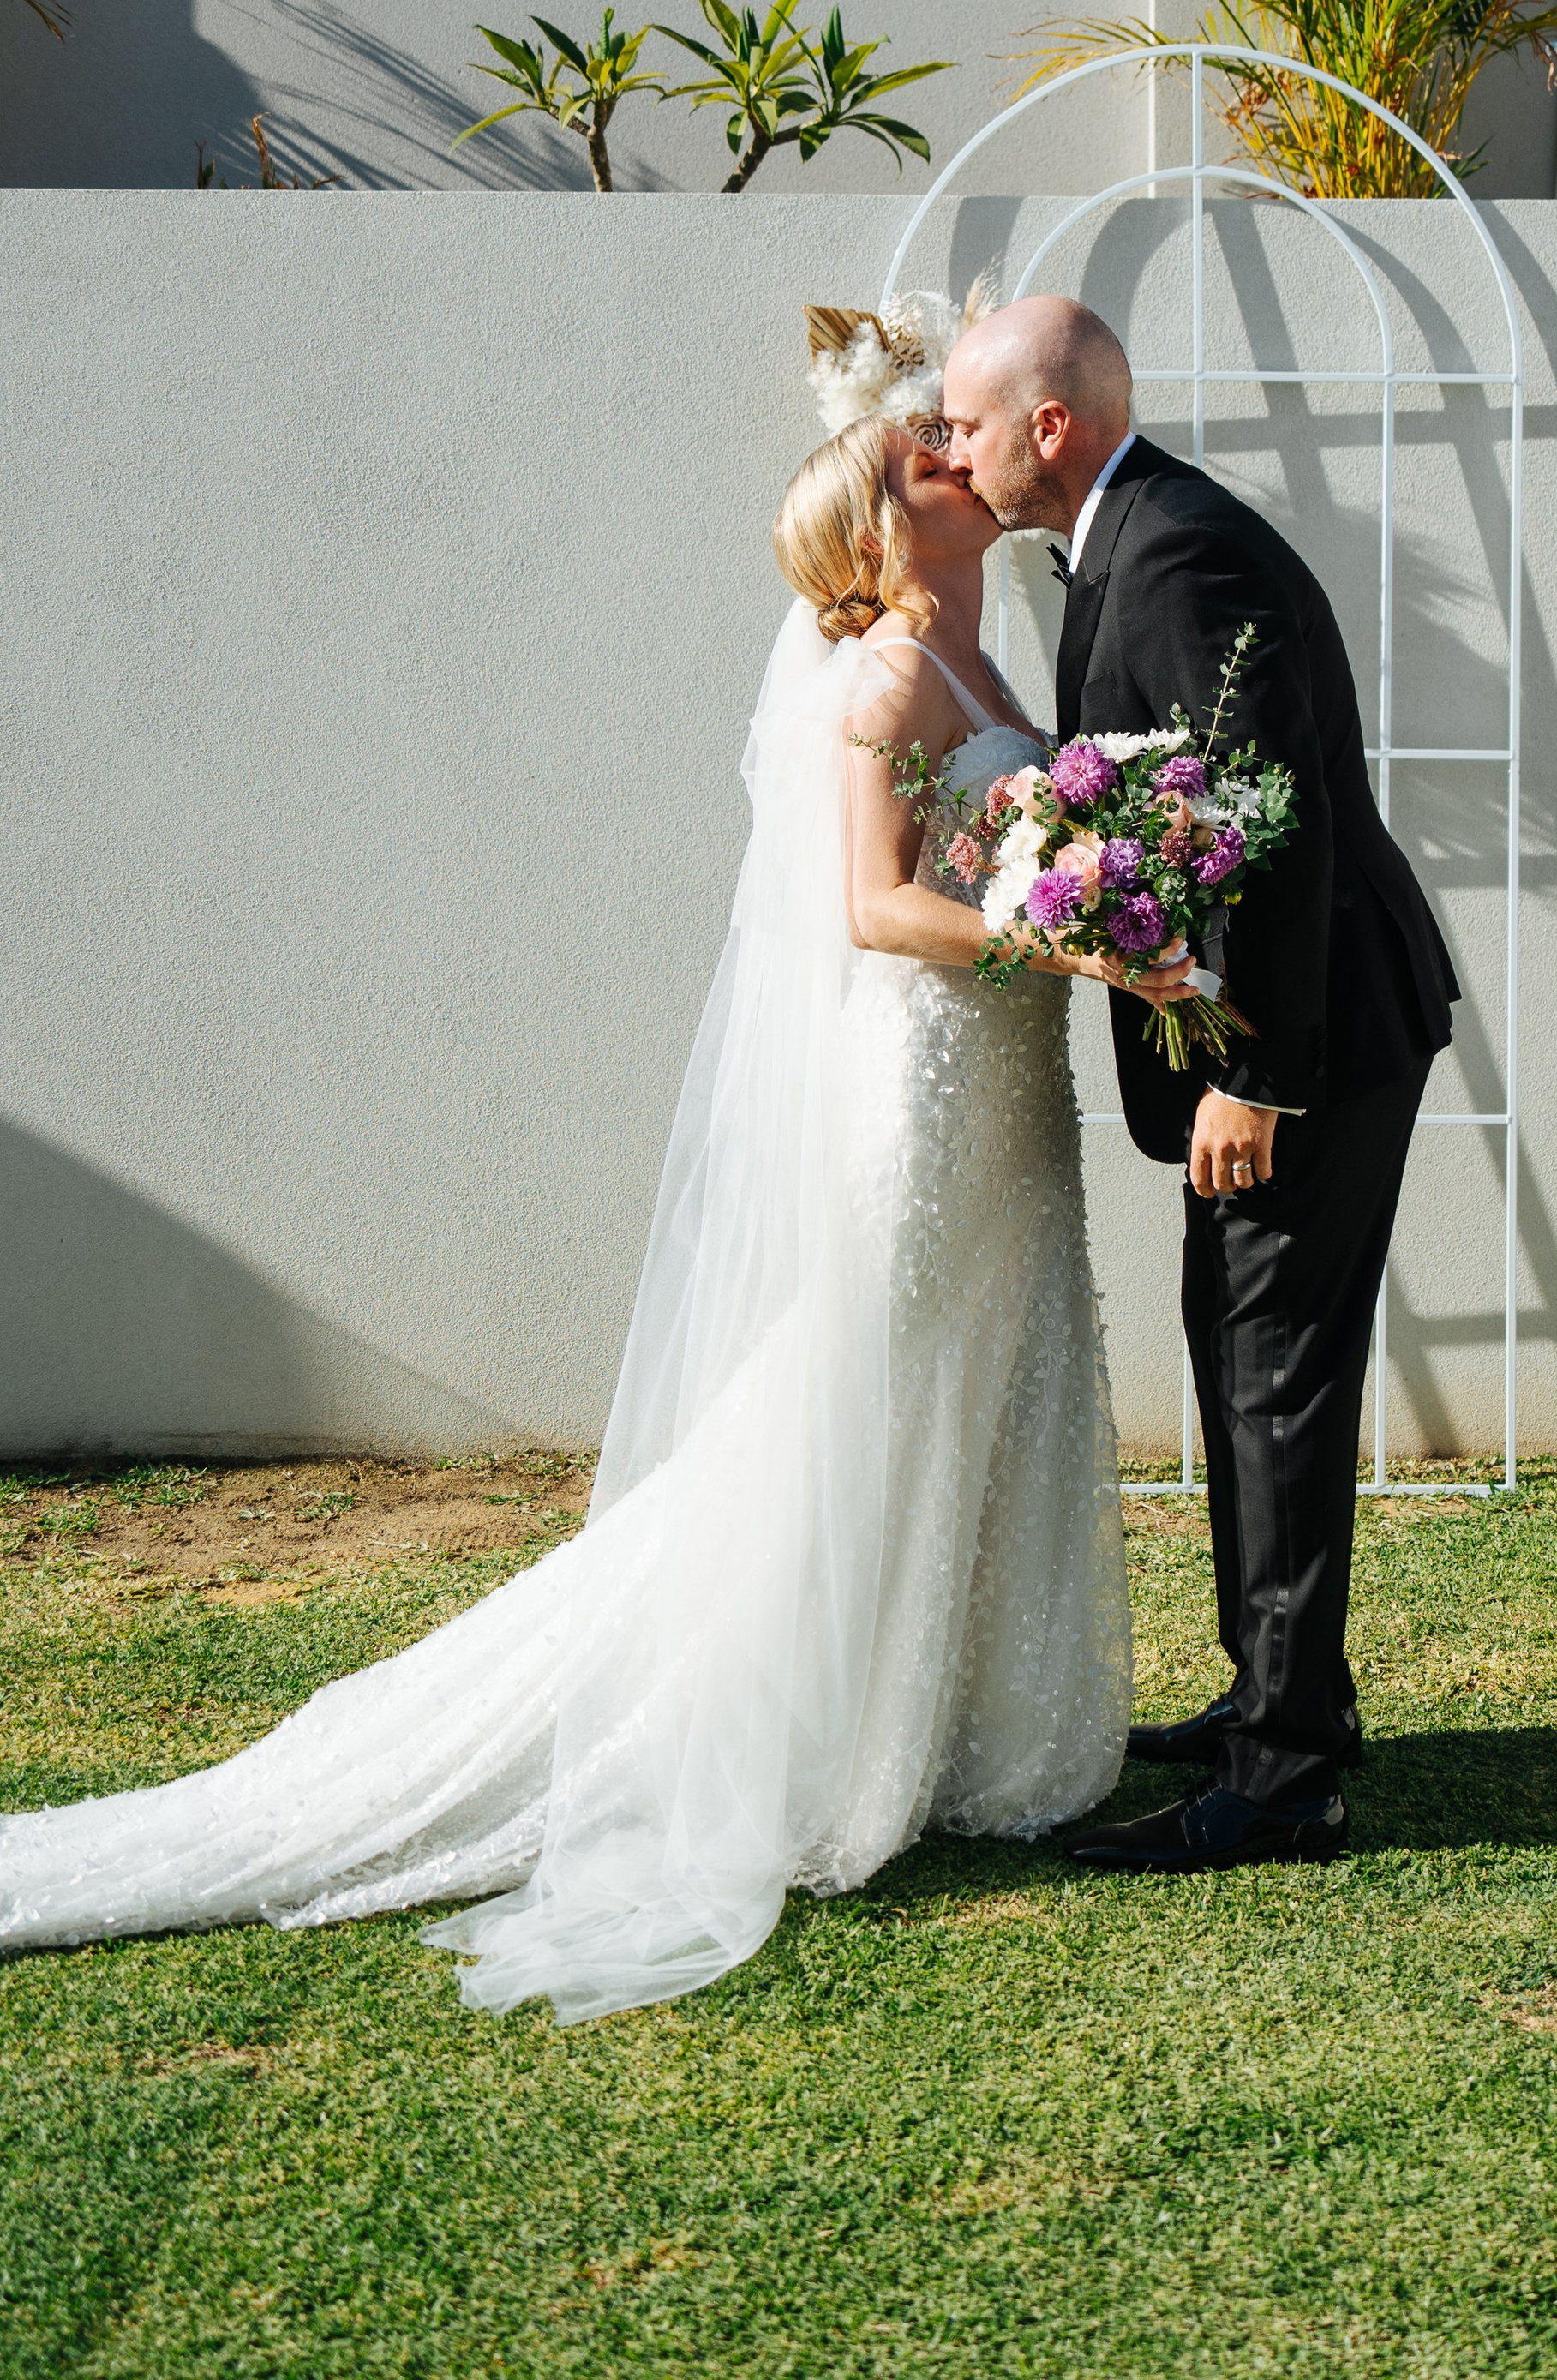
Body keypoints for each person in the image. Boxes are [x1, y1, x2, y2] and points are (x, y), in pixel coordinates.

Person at [0, 293, 1198, 2020]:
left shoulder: (978, 650)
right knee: (863, 1395)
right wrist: (1062, 940)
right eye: (922, 450)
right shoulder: (876, 672)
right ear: (891, 513)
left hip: (1003, 1091)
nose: (953, 453)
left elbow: (1002, 827)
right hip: (926, 1086)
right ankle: (788, 1737)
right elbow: (873, 906)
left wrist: (1082, 870)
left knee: (990, 1376)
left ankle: (958, 1730)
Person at [944, 296, 1460, 1872]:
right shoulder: (1137, 533)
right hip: (1292, 1040)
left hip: (1307, 1050)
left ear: (1050, 428)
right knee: (1247, 1361)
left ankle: (1287, 1776)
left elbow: (1270, 827)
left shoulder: (1175, 550)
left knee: (1274, 1382)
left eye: (967, 424)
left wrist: (1255, 1080)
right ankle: (1279, 1698)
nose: (949, 452)